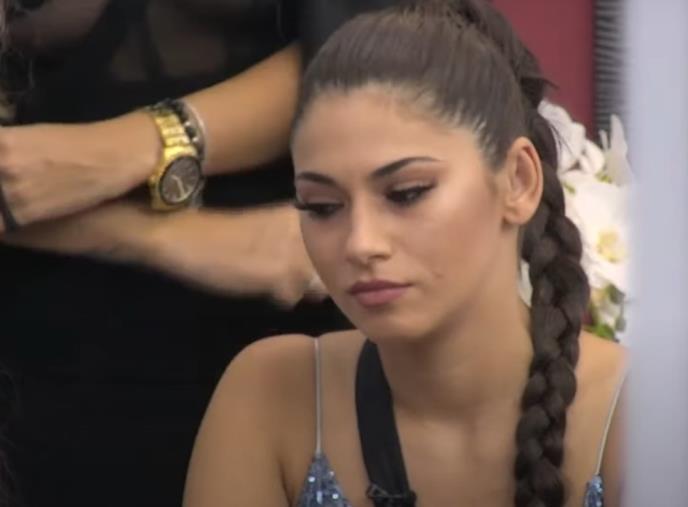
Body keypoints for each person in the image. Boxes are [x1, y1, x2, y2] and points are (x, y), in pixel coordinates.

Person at [183, 1, 627, 506]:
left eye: (407, 193)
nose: (361, 243)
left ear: (519, 181)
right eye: (322, 207)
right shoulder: (272, 396)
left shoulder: (646, 417)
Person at [0, 1, 399, 506]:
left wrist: (139, 146)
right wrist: (162, 233)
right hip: (44, 370)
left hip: (283, 340)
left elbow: (374, 55)